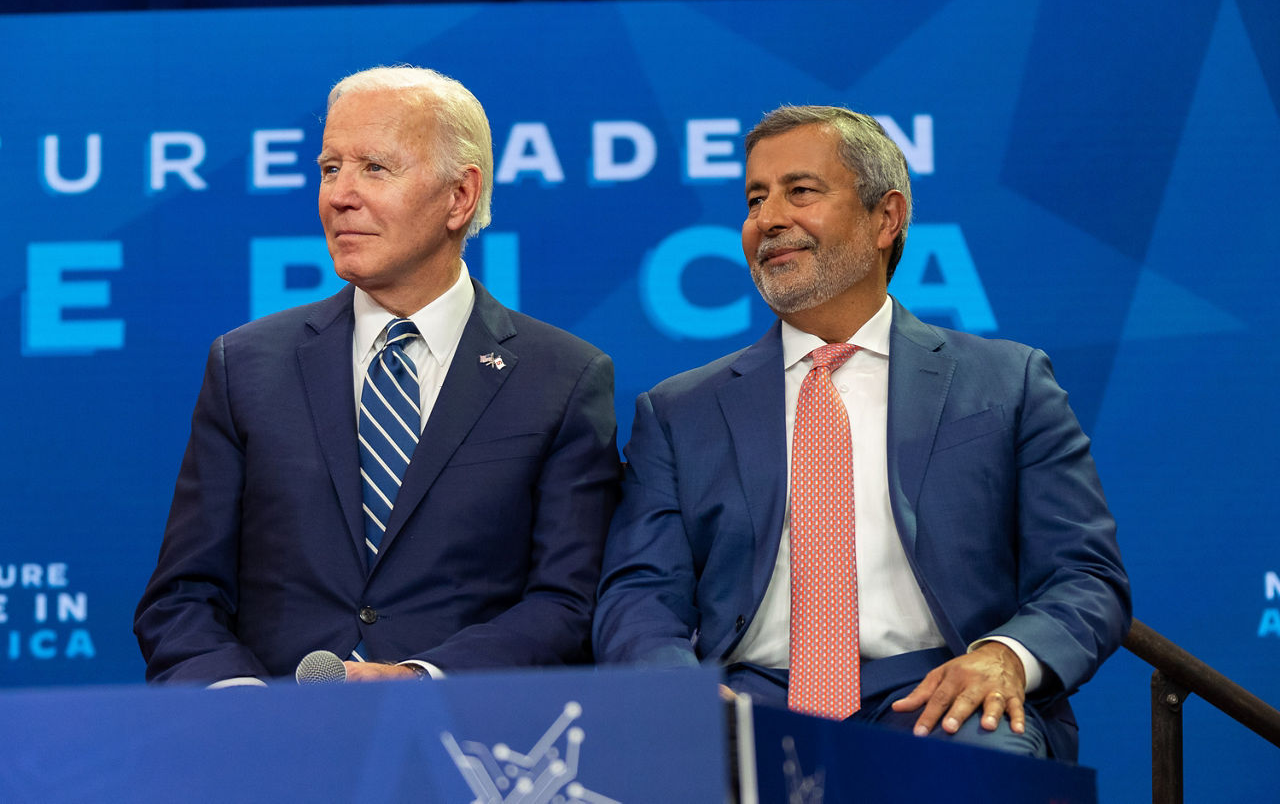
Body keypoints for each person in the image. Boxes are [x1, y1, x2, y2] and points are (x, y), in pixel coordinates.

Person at [592, 105, 1130, 760]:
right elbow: (641, 594)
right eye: (755, 199)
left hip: (937, 693)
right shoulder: (678, 412)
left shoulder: (1008, 383)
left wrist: (1006, 657)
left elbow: (1084, 574)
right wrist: (678, 690)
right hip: (750, 701)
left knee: (979, 765)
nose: (768, 219)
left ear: (886, 217)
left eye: (800, 191)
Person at [135, 66, 619, 686]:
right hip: (270, 754)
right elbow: (182, 596)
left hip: (466, 751)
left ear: (459, 196)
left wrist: (424, 680)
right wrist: (242, 704)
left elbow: (568, 602)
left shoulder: (563, 378)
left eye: (375, 168)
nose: (339, 195)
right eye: (330, 168)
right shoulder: (246, 366)